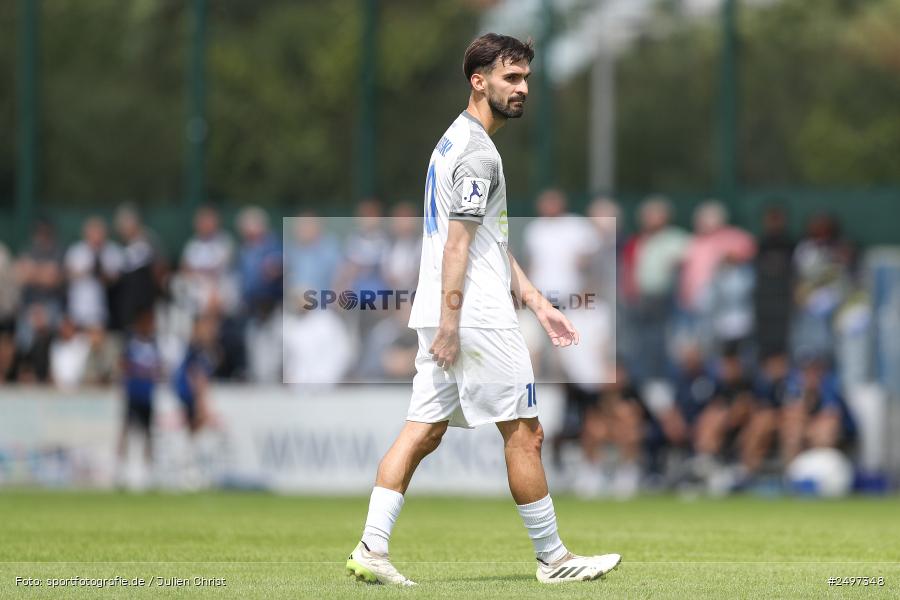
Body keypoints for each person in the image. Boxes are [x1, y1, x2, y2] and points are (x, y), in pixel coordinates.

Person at [345, 33, 621, 587]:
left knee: (422, 431)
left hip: (451, 310)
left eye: (525, 80)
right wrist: (451, 323)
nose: (522, 90)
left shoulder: (455, 141)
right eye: (510, 79)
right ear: (479, 80)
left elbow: (487, 242)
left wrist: (540, 305)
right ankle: (554, 559)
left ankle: (371, 548)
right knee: (526, 432)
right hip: (475, 318)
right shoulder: (476, 152)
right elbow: (457, 245)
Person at [116, 309, 161, 486]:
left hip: (147, 396)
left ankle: (148, 472)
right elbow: (123, 364)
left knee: (148, 435)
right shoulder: (132, 344)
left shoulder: (153, 345)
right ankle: (121, 469)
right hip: (133, 394)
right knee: (126, 432)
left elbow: (158, 368)